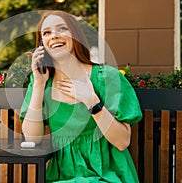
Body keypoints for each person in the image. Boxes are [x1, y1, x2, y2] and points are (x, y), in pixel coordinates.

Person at [19, 10, 143, 182]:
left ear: (76, 36)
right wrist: (39, 84)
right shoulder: (41, 82)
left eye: (62, 29)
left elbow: (122, 141)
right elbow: (33, 139)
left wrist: (91, 100)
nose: (54, 36)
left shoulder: (105, 77)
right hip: (62, 176)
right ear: (41, 44)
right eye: (46, 33)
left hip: (107, 176)